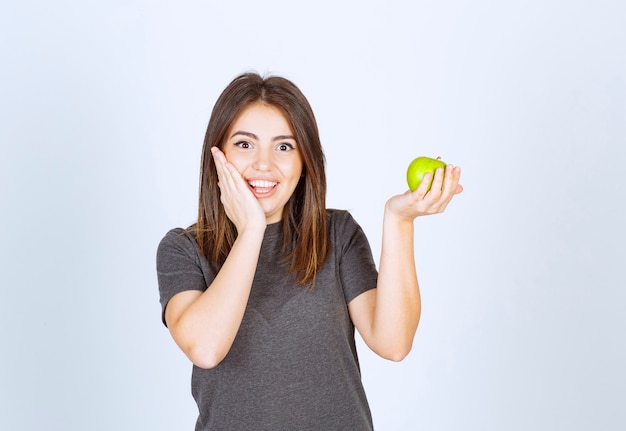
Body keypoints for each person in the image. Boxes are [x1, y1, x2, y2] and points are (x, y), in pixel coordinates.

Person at [156, 72, 463, 430]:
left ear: (305, 164)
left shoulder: (337, 234)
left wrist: (399, 221)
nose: (264, 164)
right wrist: (252, 230)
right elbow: (206, 349)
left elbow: (393, 342)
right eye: (244, 144)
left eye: (284, 147)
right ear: (218, 154)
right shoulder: (183, 249)